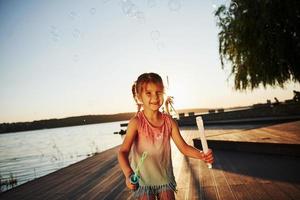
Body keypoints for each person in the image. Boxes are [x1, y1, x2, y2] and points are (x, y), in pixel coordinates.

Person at [118, 72, 214, 200]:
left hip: (165, 179)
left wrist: (202, 155)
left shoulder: (170, 122)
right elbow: (123, 151)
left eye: (159, 92)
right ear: (139, 97)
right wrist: (128, 173)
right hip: (142, 182)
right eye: (148, 93)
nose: (155, 97)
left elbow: (184, 148)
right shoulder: (136, 123)